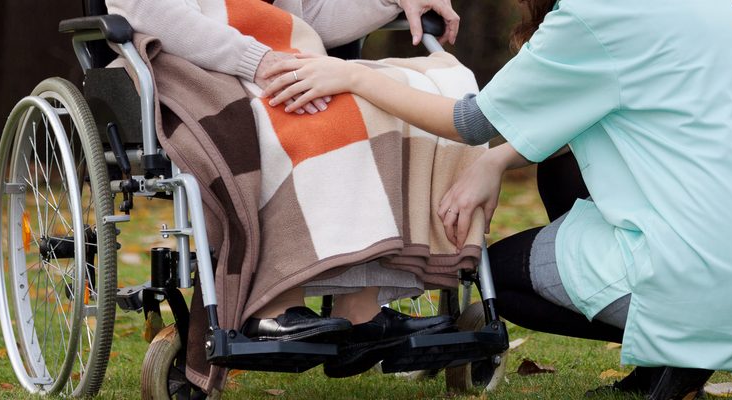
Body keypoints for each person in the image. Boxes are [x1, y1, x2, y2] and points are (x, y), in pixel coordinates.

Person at [262, 0, 732, 398]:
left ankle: (679, 352)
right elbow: (588, 110)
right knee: (560, 165)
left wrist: (355, 74)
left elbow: (469, 120)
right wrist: (495, 160)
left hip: (698, 270)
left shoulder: (593, 17)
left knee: (496, 283)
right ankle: (664, 364)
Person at [106, 0, 464, 379]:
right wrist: (256, 61)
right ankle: (272, 304)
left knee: (372, 101)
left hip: (272, 58)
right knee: (300, 114)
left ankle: (360, 310)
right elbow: (150, 12)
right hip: (183, 66)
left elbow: (307, 16)